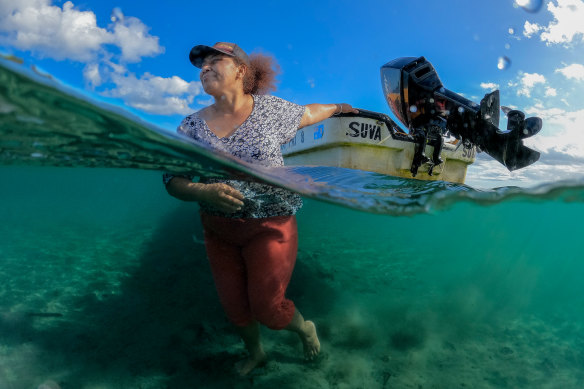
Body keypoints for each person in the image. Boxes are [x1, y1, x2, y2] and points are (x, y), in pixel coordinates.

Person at [163, 42, 358, 376]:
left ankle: (304, 328)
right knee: (235, 308)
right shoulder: (190, 128)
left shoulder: (271, 110)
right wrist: (202, 190)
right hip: (218, 230)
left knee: (269, 309)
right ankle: (257, 353)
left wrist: (340, 107)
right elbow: (173, 179)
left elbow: (309, 113)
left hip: (272, 224)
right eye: (201, 63)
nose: (205, 67)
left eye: (215, 60)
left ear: (241, 70)